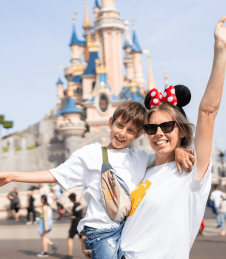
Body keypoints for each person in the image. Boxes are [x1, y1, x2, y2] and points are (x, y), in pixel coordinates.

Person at [81, 16, 226, 259]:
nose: (158, 133)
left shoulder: (191, 171)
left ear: (181, 129)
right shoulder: (144, 170)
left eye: (167, 126)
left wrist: (220, 50)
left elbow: (208, 112)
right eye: (151, 128)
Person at [0, 101, 194, 259]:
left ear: (138, 135)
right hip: (101, 232)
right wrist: (11, 176)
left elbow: (162, 156)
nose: (122, 133)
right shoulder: (90, 154)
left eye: (130, 131)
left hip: (127, 230)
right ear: (110, 123)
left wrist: (179, 151)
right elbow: (54, 175)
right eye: (119, 126)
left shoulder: (140, 158)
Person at [63, 193, 83, 259]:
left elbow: (74, 216)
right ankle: (88, 254)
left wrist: (68, 215)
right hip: (80, 223)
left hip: (75, 224)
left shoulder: (74, 205)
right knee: (82, 239)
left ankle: (69, 254)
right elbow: (78, 213)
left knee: (70, 238)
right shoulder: (79, 204)